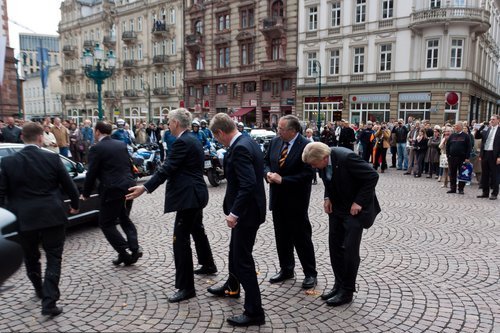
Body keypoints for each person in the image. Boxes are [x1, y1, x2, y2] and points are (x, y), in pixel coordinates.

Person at [126, 109, 216, 303]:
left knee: (180, 241)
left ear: (175, 122)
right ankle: (208, 264)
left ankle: (186, 288)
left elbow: (167, 168)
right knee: (197, 230)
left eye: (168, 121)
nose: (167, 125)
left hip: (189, 197)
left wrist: (145, 188)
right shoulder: (192, 138)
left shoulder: (182, 141)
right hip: (196, 194)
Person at [0, 122, 79, 317]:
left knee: (31, 256)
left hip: (23, 218)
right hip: (51, 214)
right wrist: (75, 204)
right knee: (54, 257)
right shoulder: (51, 158)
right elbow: (69, 186)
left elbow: (1, 194)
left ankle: (39, 289)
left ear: (21, 138)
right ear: (41, 138)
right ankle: (49, 301)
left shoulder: (9, 163)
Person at [302, 142, 380, 307]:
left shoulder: (347, 158)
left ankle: (347, 291)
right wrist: (327, 197)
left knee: (350, 251)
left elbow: (372, 176)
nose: (314, 168)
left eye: (314, 164)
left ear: (324, 158)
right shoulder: (322, 162)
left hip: (354, 211)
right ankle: (338, 284)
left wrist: (358, 202)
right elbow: (328, 180)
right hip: (337, 208)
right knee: (335, 247)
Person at [208, 113, 266, 327]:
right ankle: (232, 286)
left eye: (217, 137)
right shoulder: (247, 140)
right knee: (235, 252)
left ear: (220, 132)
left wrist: (234, 213)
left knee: (243, 261)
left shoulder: (240, 147)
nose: (217, 141)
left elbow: (248, 184)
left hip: (246, 214)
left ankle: (254, 312)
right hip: (251, 210)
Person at [263, 115, 317, 289]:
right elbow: (265, 162)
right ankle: (286, 269)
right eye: (278, 128)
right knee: (282, 237)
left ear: (293, 131)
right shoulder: (276, 142)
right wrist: (268, 173)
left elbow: (308, 174)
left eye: (281, 128)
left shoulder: (306, 146)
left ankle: (310, 273)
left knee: (301, 238)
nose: (277, 131)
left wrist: (284, 180)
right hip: (278, 199)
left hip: (296, 201)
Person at [82, 121, 142, 266]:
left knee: (106, 223)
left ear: (97, 132)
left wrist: (86, 193)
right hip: (128, 186)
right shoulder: (120, 144)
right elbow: (129, 164)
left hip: (112, 189)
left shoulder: (96, 148)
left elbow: (91, 173)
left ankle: (124, 250)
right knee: (124, 218)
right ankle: (134, 247)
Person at [475, 115, 499, 200]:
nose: (491, 121)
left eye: (493, 119)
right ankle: (485, 192)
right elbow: (477, 136)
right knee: (485, 174)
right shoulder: (487, 129)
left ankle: (494, 193)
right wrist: (480, 128)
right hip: (485, 153)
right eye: (491, 119)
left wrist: (499, 157)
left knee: (494, 174)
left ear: (498, 120)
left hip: (494, 154)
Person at [446, 122, 471, 194]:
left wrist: (467, 157)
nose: (455, 127)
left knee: (462, 174)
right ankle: (453, 188)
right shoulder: (452, 136)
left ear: (461, 127)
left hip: (462, 158)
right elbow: (447, 146)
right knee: (452, 173)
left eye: (457, 126)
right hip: (452, 158)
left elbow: (469, 148)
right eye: (455, 126)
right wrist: (448, 156)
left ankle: (461, 189)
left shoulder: (466, 136)